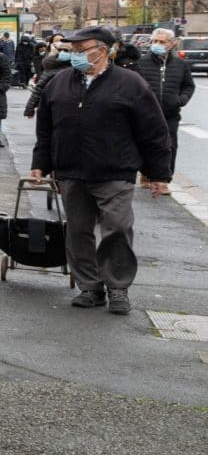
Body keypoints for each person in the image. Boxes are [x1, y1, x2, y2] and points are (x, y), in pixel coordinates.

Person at [31, 25, 173, 317]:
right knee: (78, 231)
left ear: (105, 51)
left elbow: (154, 132)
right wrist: (41, 164)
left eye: (83, 50)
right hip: (71, 171)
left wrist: (158, 174)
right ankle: (90, 287)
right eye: (73, 50)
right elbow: (45, 128)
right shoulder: (58, 83)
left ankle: (117, 287)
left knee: (117, 230)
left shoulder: (131, 84)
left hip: (115, 171)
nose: (76, 55)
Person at [130, 26, 196, 162]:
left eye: (162, 42)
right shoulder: (141, 62)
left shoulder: (181, 64)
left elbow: (188, 85)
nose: (157, 45)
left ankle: (165, 178)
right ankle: (147, 175)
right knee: (146, 146)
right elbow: (132, 86)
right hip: (146, 114)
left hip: (170, 114)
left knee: (170, 147)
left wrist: (181, 100)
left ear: (171, 44)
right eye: (154, 41)